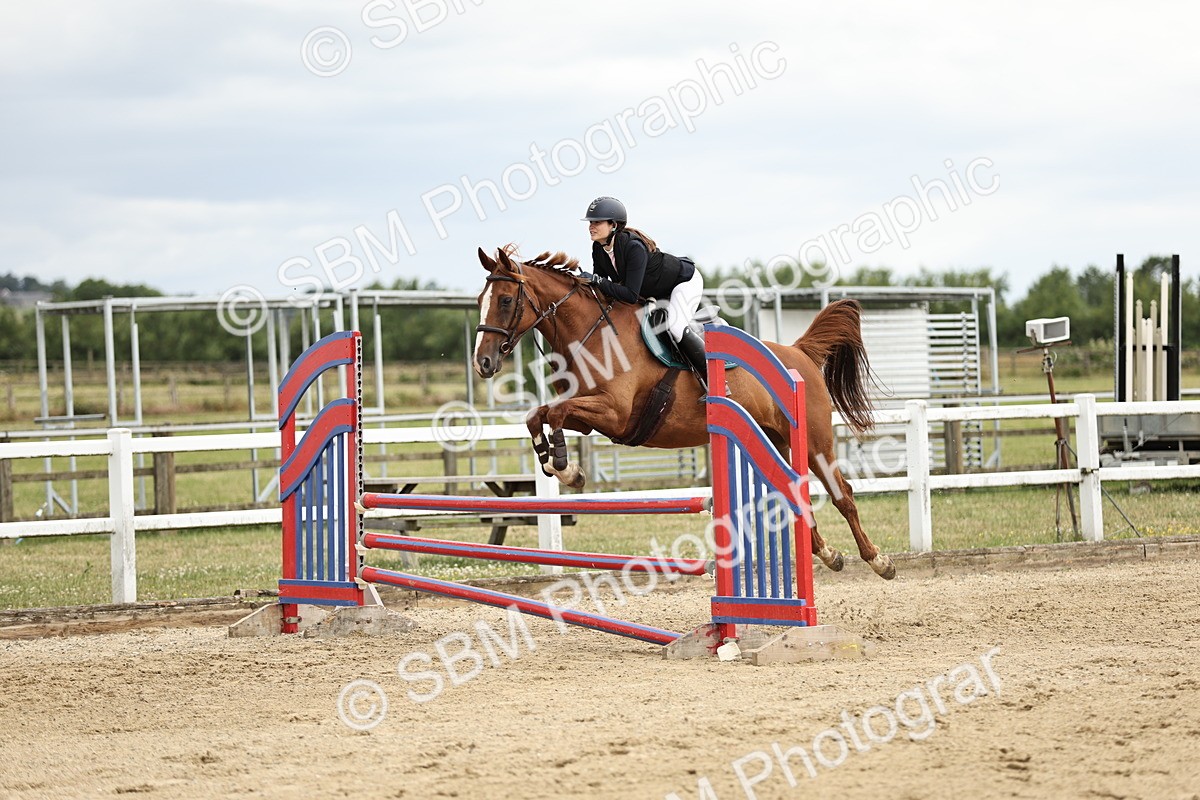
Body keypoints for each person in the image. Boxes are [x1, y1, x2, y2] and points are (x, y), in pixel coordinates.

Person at [579, 196, 708, 379]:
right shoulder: (598, 248)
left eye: (597, 222)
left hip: (683, 282)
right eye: (591, 222)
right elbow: (602, 287)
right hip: (656, 292)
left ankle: (712, 377)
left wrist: (597, 281)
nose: (591, 226)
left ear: (613, 225)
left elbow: (630, 295)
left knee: (676, 327)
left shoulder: (633, 247)